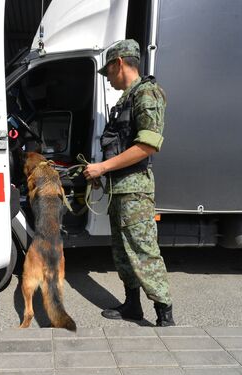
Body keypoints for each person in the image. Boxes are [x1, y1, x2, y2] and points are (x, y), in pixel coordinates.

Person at [83, 39, 175, 327]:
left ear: (118, 63)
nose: (108, 79)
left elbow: (149, 144)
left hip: (135, 190)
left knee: (143, 250)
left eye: (108, 72)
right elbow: (118, 145)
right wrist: (103, 174)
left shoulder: (146, 93)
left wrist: (102, 167)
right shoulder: (126, 99)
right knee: (123, 252)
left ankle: (164, 313)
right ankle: (132, 306)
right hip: (119, 188)